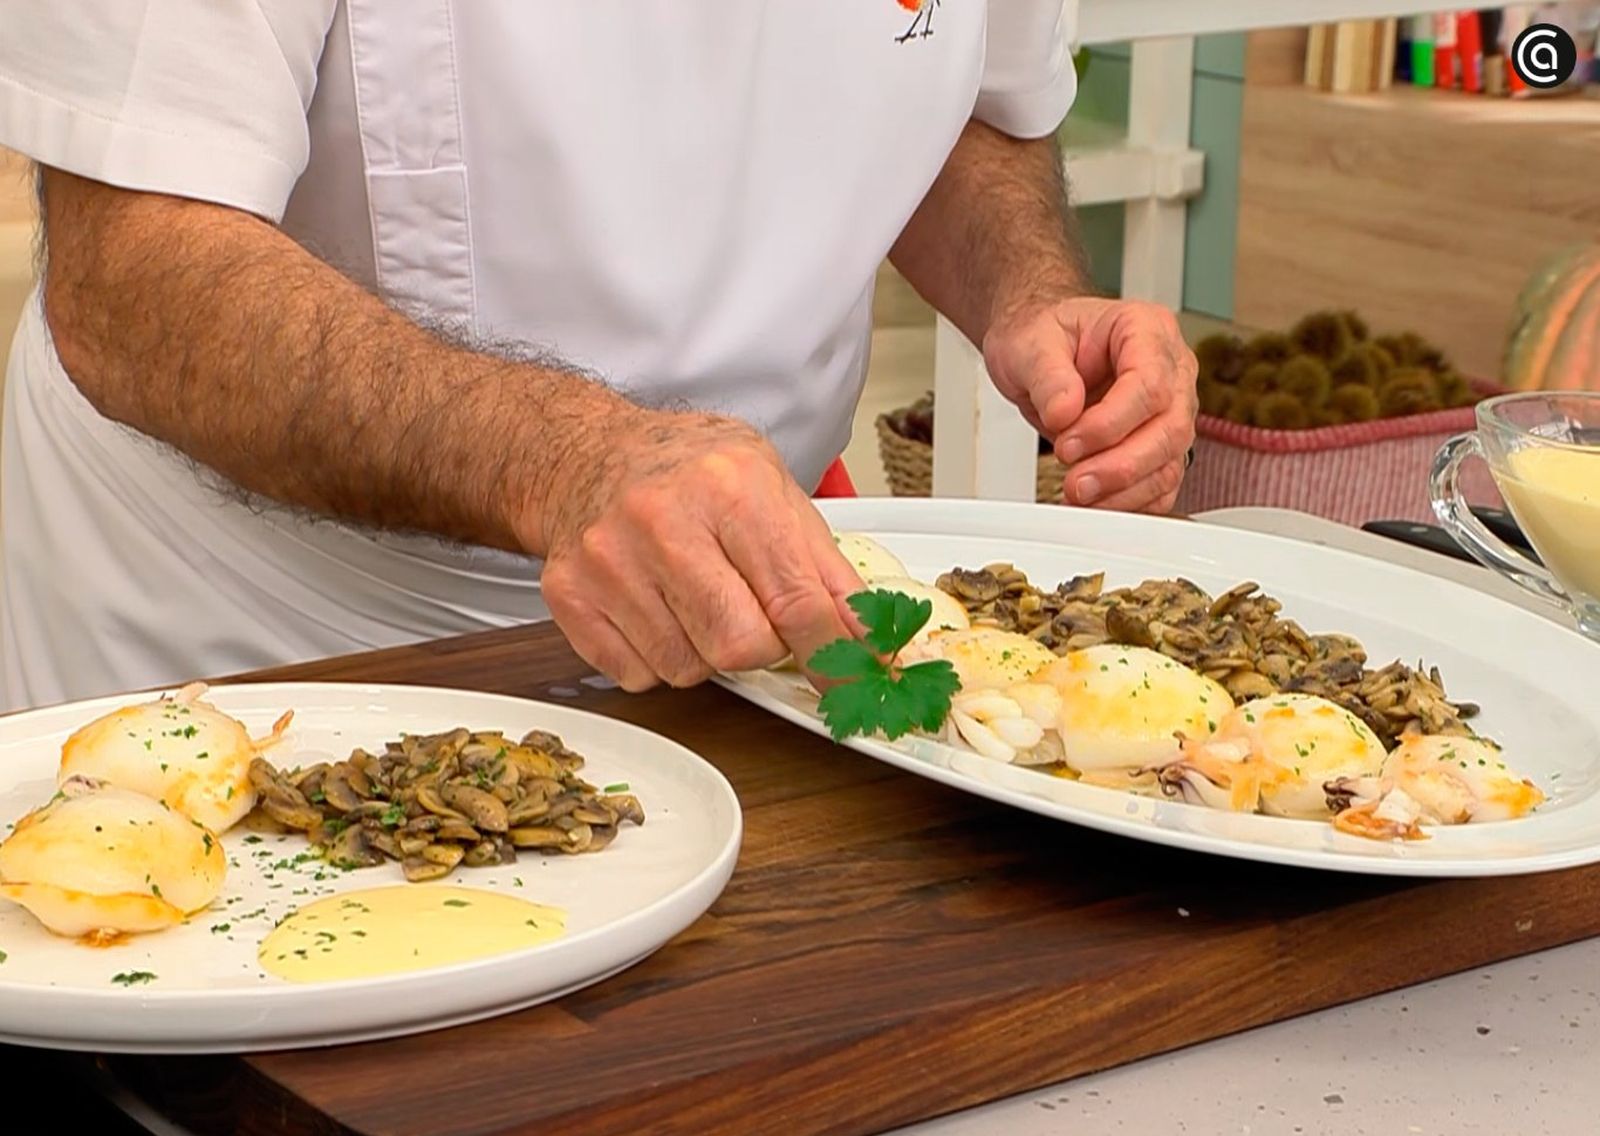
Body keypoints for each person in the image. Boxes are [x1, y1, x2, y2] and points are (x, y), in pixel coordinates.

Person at [0, 1, 1198, 712]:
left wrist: (1031, 295)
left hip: (752, 637)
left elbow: (974, 97)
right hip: (264, 639)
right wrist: (567, 460)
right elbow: (135, 281)